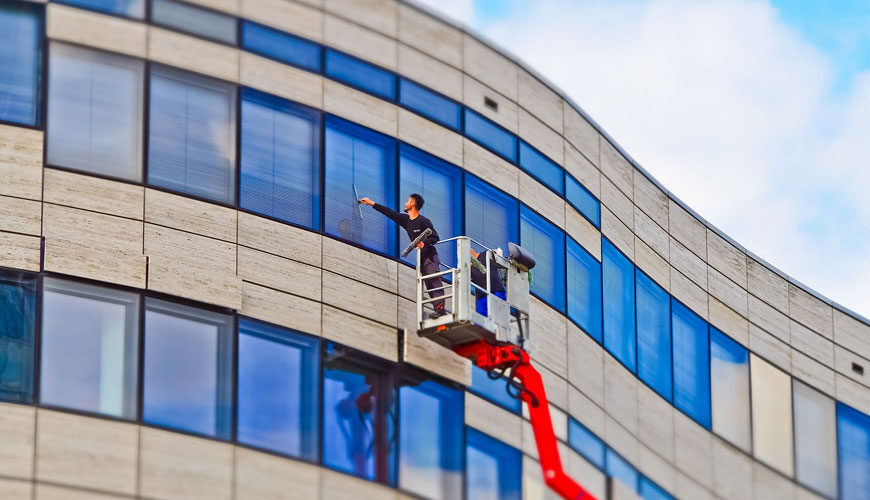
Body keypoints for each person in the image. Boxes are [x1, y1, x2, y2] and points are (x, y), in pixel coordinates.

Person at [359, 194, 445, 317]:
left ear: (413, 204)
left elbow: (435, 237)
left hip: (430, 257)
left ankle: (440, 311)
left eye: (408, 201)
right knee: (429, 285)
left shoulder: (423, 221)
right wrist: (372, 203)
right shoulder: (406, 221)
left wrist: (423, 242)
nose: (405, 203)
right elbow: (390, 213)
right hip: (421, 260)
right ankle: (438, 311)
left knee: (434, 282)